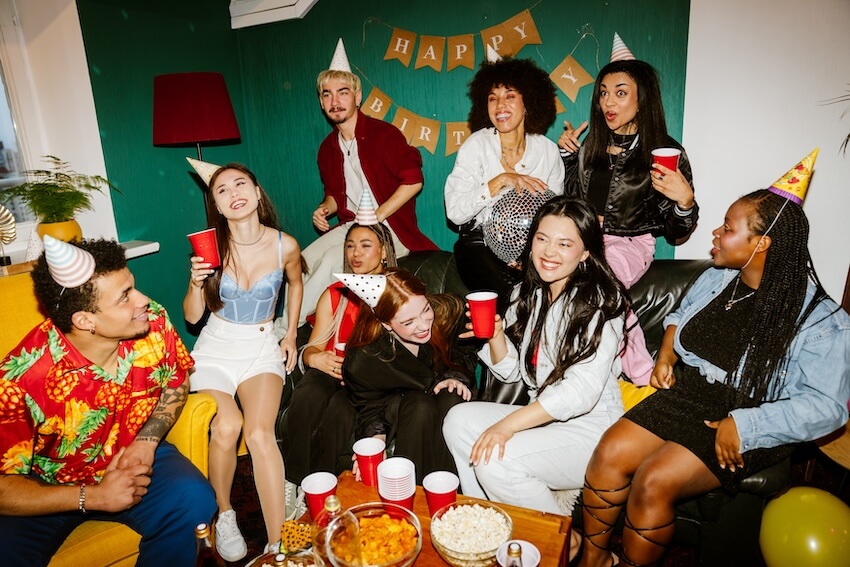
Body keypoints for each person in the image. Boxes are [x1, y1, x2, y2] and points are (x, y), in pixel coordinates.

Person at [576, 150, 850, 567]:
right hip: (695, 392)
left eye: (728, 228)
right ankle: (594, 561)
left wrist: (745, 424)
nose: (716, 234)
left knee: (654, 480)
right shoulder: (718, 278)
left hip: (754, 413)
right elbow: (679, 316)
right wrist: (666, 353)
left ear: (762, 243)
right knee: (608, 453)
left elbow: (828, 408)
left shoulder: (819, 319)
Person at [0, 236, 216, 567]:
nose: (143, 300)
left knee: (194, 500)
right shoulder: (22, 380)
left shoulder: (153, 322)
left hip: (133, 452)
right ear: (85, 321)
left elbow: (176, 381)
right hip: (47, 485)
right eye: (125, 297)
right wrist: (94, 497)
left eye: (133, 286)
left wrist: (147, 442)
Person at [443, 196, 628, 515]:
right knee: (458, 421)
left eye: (564, 243)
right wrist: (496, 336)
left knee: (497, 460)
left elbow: (580, 392)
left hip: (594, 430)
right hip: (545, 418)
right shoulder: (528, 293)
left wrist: (508, 426)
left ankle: (559, 544)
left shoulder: (600, 302)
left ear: (585, 252)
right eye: (542, 239)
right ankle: (487, 519)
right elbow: (512, 372)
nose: (549, 252)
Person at [559, 40, 698, 385]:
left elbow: (676, 231)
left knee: (602, 287)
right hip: (585, 239)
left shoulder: (665, 151)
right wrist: (567, 159)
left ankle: (641, 376)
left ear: (642, 98)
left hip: (629, 242)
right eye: (604, 93)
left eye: (620, 93)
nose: (608, 102)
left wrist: (685, 203)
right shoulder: (591, 144)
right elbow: (572, 202)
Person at [183, 160, 303, 560]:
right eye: (222, 190)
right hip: (216, 346)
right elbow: (191, 316)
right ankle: (225, 512)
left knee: (258, 434)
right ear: (216, 205)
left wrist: (290, 334)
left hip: (260, 346)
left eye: (240, 184)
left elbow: (297, 282)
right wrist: (195, 281)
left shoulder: (285, 244)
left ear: (256, 193)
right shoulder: (209, 247)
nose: (233, 193)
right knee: (227, 425)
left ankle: (277, 545)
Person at [277, 38, 437, 335]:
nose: (334, 101)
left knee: (328, 263)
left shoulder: (383, 134)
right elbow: (337, 195)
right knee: (299, 262)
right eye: (327, 94)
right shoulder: (327, 148)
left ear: (357, 96)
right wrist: (325, 208)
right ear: (321, 101)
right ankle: (288, 327)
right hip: (352, 225)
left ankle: (283, 331)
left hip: (391, 229)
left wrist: (377, 214)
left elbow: (413, 181)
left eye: (342, 92)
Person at [283, 193, 398, 494]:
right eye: (350, 246)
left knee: (340, 410)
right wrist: (314, 359)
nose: (355, 254)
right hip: (332, 371)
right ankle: (293, 481)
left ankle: (325, 490)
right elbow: (314, 346)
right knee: (308, 392)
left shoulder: (397, 293)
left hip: (369, 385)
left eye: (365, 245)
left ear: (384, 252)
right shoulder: (335, 293)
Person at [445, 49, 564, 314]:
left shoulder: (547, 151)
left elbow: (556, 216)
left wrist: (530, 256)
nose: (500, 106)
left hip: (533, 250)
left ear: (528, 102)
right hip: (478, 244)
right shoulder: (476, 145)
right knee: (515, 298)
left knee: (555, 295)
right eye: (492, 98)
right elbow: (455, 213)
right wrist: (499, 181)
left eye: (510, 96)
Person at [339, 268, 476, 483]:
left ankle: (451, 491)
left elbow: (464, 352)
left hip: (441, 396)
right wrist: (375, 443)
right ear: (386, 324)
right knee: (419, 405)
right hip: (401, 409)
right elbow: (370, 408)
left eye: (425, 309)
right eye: (408, 322)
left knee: (452, 394)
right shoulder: (364, 360)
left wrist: (455, 376)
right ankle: (413, 492)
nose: (423, 324)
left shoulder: (448, 312)